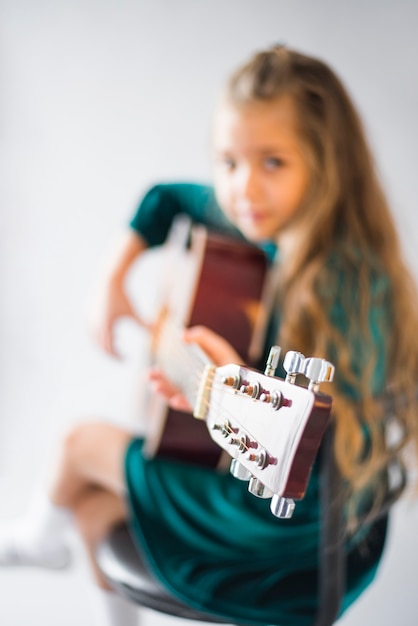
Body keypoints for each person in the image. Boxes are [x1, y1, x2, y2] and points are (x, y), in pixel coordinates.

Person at [1, 44, 418, 626]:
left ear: (328, 164)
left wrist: (230, 391)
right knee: (93, 514)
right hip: (253, 486)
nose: (243, 188)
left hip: (295, 531)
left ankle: (35, 543)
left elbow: (311, 447)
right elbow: (165, 198)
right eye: (228, 162)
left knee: (78, 445)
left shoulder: (351, 287)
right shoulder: (259, 223)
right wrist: (113, 274)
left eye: (272, 162)